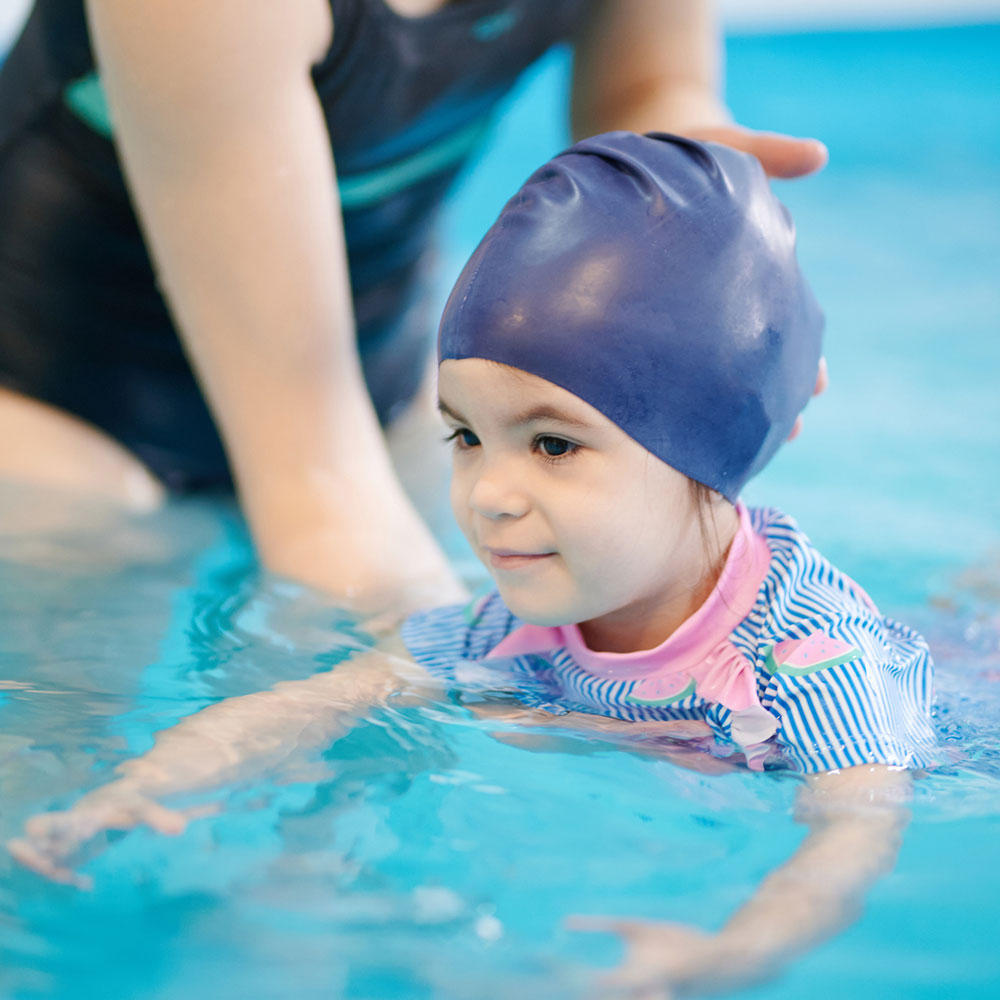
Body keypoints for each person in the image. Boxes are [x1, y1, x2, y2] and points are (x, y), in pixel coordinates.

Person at [9, 132, 935, 996]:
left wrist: (728, 951)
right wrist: (136, 794)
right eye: (465, 436)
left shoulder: (811, 656)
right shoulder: (519, 619)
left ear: (711, 444)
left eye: (554, 446)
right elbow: (318, 702)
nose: (488, 494)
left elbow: (851, 835)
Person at [0, 0, 827, 615]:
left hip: (378, 378)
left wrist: (690, 187)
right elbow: (317, 483)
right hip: (50, 413)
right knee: (63, 750)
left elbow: (648, 84)